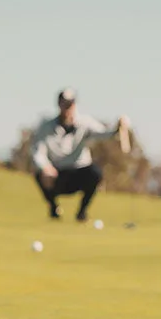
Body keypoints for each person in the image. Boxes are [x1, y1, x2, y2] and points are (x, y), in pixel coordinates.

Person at [31, 89, 128, 221]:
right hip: (57, 174)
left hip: (79, 172)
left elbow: (104, 133)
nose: (67, 108)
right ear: (59, 104)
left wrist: (117, 129)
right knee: (39, 174)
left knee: (95, 173)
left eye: (70, 104)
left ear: (75, 105)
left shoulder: (84, 122)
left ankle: (82, 212)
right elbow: (38, 152)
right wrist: (45, 167)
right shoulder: (46, 126)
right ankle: (54, 208)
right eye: (64, 104)